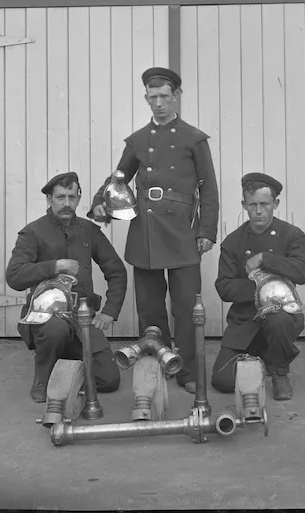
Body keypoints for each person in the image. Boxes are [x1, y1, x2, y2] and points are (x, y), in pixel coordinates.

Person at [90, 67, 219, 393]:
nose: (159, 103)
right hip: (145, 232)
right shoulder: (138, 140)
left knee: (188, 307)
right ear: (146, 97)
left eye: (165, 96)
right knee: (149, 307)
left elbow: (209, 189)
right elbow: (118, 178)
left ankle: (189, 371)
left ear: (176, 96)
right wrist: (100, 203)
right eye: (153, 96)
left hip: (182, 232)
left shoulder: (194, 138)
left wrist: (206, 230)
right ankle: (162, 361)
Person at [6, 172, 127, 402]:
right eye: (60, 197)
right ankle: (43, 375)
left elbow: (116, 271)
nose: (67, 203)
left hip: (82, 318)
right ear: (49, 199)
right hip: (46, 318)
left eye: (72, 197)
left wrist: (110, 310)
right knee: (56, 331)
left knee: (109, 381)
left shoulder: (89, 231)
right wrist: (55, 266)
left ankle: (69, 365)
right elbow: (14, 276)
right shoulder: (33, 232)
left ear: (79, 198)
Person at [211, 172, 305, 400]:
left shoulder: (292, 235)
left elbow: (304, 272)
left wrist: (266, 258)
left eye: (264, 204)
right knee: (223, 381)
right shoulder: (233, 242)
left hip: (281, 316)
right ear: (244, 205)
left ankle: (279, 372)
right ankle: (259, 358)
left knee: (279, 319)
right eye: (252, 204)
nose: (258, 211)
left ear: (275, 204)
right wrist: (260, 290)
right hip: (245, 320)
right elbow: (224, 287)